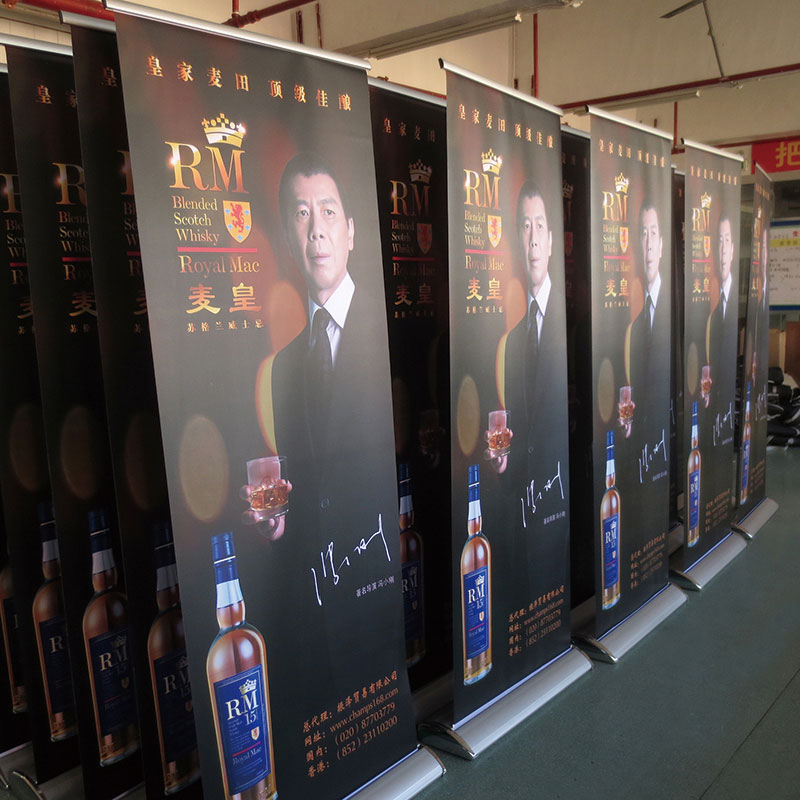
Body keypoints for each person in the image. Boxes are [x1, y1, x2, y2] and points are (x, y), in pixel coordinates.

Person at [262, 152, 402, 765]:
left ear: (351, 231)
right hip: (311, 605)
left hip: (376, 589)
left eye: (327, 212)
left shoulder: (387, 334)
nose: (315, 229)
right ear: (288, 236)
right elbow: (303, 489)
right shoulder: (283, 366)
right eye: (301, 214)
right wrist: (275, 524)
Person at [488, 181, 569, 616]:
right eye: (525, 226)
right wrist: (503, 463)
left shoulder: (575, 323)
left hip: (563, 502)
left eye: (540, 226)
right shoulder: (510, 340)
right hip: (524, 508)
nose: (533, 238)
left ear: (552, 240)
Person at [626, 198, 670, 440]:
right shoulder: (630, 318)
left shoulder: (673, 307)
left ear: (662, 245)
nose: (649, 244)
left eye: (653, 233)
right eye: (644, 234)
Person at [706, 212, 738, 417]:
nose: (723, 249)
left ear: (733, 249)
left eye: (727, 240)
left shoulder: (738, 302)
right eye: (719, 241)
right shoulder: (711, 310)